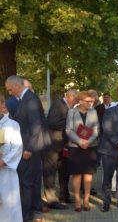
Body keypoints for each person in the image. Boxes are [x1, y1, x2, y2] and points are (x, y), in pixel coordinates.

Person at [5, 76, 51, 222]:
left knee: (26, 184)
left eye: (10, 89)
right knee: (31, 182)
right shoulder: (27, 98)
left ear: (16, 86)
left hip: (29, 150)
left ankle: (26, 216)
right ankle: (33, 212)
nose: (10, 93)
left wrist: (29, 149)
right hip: (30, 148)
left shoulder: (30, 99)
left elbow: (36, 127)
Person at [43, 90, 78, 208]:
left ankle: (64, 195)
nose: (76, 102)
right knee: (50, 173)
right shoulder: (58, 105)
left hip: (62, 145)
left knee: (64, 171)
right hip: (52, 145)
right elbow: (52, 122)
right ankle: (51, 200)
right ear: (69, 97)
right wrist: (71, 125)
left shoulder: (67, 106)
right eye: (75, 100)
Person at [66, 91, 99, 212]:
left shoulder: (93, 112)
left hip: (90, 147)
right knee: (77, 174)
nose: (91, 103)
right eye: (88, 101)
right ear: (80, 101)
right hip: (75, 147)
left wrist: (88, 142)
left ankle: (86, 200)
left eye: (92, 101)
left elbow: (96, 130)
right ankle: (77, 200)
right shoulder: (72, 112)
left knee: (88, 174)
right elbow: (68, 130)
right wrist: (80, 141)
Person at [0, 93, 23, 222]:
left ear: (2, 105)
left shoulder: (12, 125)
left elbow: (17, 147)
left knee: (9, 206)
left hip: (6, 173)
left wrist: (3, 161)